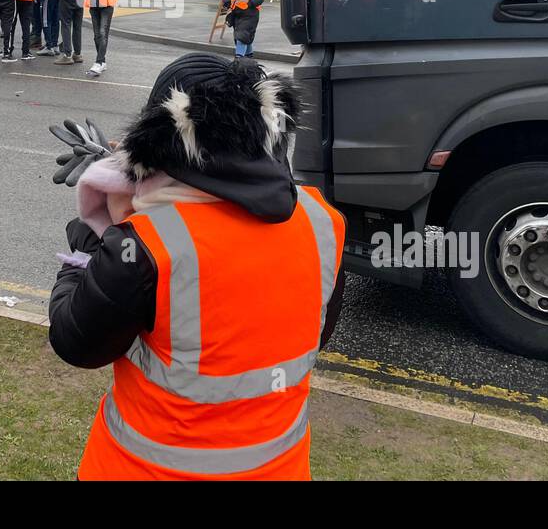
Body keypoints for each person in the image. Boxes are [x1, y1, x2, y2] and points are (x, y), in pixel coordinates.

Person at [48, 53, 346, 481]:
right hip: (280, 467)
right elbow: (308, 333)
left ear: (159, 137)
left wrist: (89, 242)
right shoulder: (323, 223)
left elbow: (75, 342)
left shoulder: (148, 244)